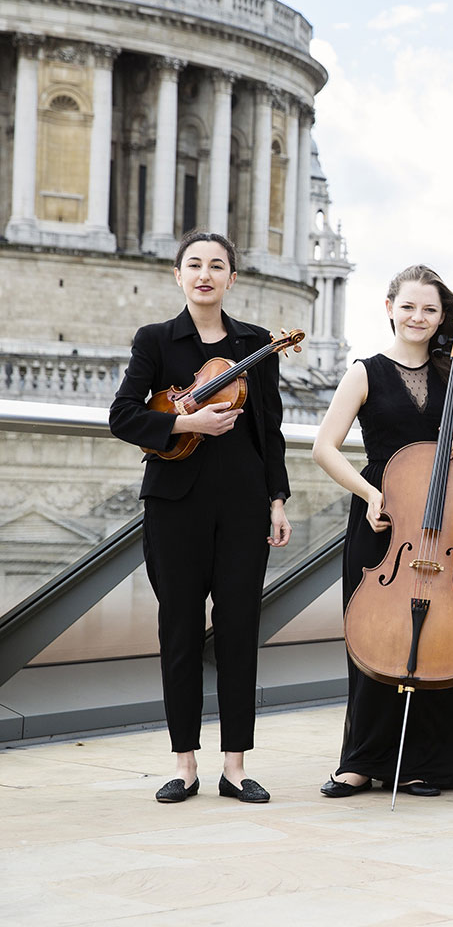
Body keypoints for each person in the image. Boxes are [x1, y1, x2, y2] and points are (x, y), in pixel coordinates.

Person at [108, 231, 291, 804]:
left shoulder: (256, 344)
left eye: (217, 265)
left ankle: (235, 766)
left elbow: (270, 429)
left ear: (232, 279)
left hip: (242, 505)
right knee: (180, 632)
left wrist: (277, 500)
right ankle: (184, 763)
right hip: (174, 506)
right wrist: (186, 426)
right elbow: (122, 416)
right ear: (178, 275)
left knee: (240, 632)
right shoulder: (156, 341)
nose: (205, 274)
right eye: (194, 264)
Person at [313, 265, 453, 799]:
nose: (418, 317)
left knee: (441, 636)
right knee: (375, 635)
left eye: (430, 309)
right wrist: (371, 496)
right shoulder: (365, 373)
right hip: (382, 516)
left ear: (442, 318)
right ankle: (361, 760)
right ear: (389, 307)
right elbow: (325, 447)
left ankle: (428, 761)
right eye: (409, 306)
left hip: (440, 522)